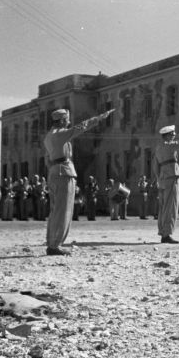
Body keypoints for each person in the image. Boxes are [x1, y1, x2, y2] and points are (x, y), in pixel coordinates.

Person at [43, 107, 113, 255]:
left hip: (55, 173)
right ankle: (55, 245)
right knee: (63, 211)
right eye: (67, 119)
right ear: (62, 120)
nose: (68, 121)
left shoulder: (49, 136)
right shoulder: (60, 134)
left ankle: (52, 242)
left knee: (55, 210)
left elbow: (48, 160)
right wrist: (100, 117)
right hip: (64, 173)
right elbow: (81, 127)